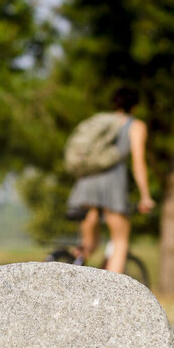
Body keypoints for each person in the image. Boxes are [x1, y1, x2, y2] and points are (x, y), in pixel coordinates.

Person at [66, 87, 155, 273]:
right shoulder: (135, 126)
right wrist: (145, 196)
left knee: (88, 243)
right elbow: (138, 163)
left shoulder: (102, 121)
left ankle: (70, 275)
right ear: (135, 106)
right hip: (113, 187)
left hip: (86, 183)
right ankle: (112, 296)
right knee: (120, 241)